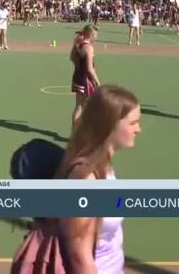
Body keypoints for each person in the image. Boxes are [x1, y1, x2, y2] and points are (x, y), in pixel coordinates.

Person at [56, 85, 141, 274]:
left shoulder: (103, 165)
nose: (139, 129)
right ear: (110, 125)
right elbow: (80, 256)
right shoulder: (85, 179)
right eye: (133, 123)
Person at [71, 25, 101, 128]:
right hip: (86, 81)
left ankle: (75, 132)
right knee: (90, 108)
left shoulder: (79, 45)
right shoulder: (88, 48)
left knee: (79, 107)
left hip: (77, 78)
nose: (96, 38)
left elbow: (73, 60)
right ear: (90, 35)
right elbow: (89, 68)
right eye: (95, 35)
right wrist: (97, 81)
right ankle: (85, 133)